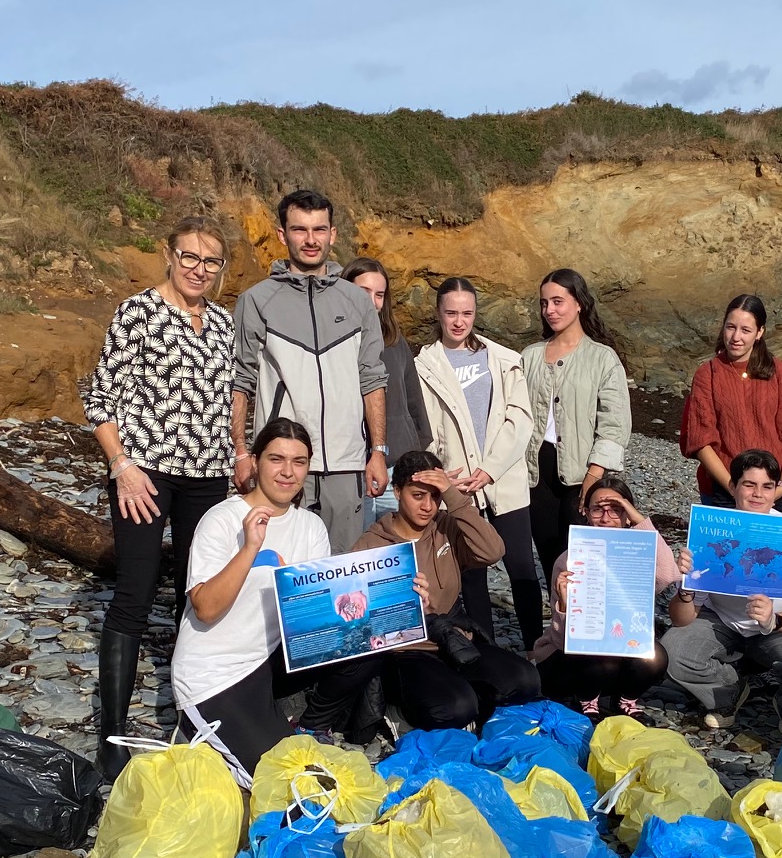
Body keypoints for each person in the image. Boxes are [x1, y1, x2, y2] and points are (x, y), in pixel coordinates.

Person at [85, 216, 239, 780]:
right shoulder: (138, 312)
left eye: (211, 261)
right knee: (135, 591)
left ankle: (190, 716)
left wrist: (240, 457)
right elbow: (100, 400)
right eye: (190, 257)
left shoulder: (223, 324)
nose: (199, 269)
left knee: (193, 596)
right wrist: (121, 467)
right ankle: (111, 736)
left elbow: (232, 405)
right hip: (145, 473)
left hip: (207, 477)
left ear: (221, 269)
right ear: (170, 256)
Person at [298, 451, 543, 739]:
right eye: (417, 496)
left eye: (435, 497)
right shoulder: (371, 546)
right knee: (457, 709)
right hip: (406, 653)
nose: (428, 506)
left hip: (454, 640)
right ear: (397, 491)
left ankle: (464, 691)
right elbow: (351, 623)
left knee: (526, 680)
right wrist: (404, 605)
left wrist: (454, 497)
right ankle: (400, 710)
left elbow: (493, 551)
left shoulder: (447, 526)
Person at [171, 418, 331, 781]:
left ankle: (306, 720)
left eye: (299, 462)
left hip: (268, 664)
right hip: (214, 673)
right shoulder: (222, 519)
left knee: (367, 642)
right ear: (255, 462)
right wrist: (251, 549)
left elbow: (320, 617)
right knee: (275, 781)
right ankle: (197, 726)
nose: (288, 472)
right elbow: (205, 609)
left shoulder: (311, 526)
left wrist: (399, 597)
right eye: (277, 459)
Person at [229, 189, 388, 552]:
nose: (311, 240)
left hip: (346, 464)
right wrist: (241, 453)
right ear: (283, 235)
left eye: (319, 229)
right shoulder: (256, 300)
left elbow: (373, 380)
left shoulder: (357, 301)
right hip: (281, 462)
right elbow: (241, 381)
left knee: (341, 573)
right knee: (275, 567)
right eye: (300, 230)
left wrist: (377, 451)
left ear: (333, 234)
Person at [415, 278, 544, 646]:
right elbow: (427, 428)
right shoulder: (423, 365)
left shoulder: (504, 359)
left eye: (467, 313)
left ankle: (538, 648)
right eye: (451, 313)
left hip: (502, 479)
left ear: (476, 313)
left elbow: (520, 419)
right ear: (438, 313)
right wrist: (442, 476)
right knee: (471, 572)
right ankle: (485, 652)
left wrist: (489, 470)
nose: (459, 321)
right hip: (456, 484)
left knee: (521, 567)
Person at [664, 448, 782, 730]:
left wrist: (774, 621)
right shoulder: (711, 530)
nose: (757, 494)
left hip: (776, 628)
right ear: (733, 487)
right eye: (749, 485)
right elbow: (682, 619)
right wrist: (687, 586)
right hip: (721, 622)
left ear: (777, 490)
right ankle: (729, 691)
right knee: (671, 651)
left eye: (767, 486)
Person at [530, 475, 676, 717]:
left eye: (616, 510)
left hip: (620, 654)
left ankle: (624, 701)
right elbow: (561, 640)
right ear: (585, 512)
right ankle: (586, 701)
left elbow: (667, 574)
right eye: (598, 509)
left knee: (655, 657)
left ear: (627, 514)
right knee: (604, 656)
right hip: (568, 659)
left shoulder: (637, 554)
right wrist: (564, 604)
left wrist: (639, 518)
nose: (606, 518)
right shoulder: (570, 558)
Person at [522, 268, 632, 578]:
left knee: (583, 555)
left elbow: (615, 423)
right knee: (549, 555)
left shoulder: (603, 358)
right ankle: (559, 619)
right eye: (545, 303)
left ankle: (587, 618)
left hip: (582, 470)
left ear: (579, 303)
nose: (550, 311)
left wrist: (594, 473)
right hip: (535, 472)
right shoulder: (529, 357)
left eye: (558, 302)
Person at [678, 294, 782, 514]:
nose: (736, 337)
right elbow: (701, 440)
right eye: (730, 327)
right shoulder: (707, 373)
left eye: (745, 330)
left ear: (760, 333)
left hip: (776, 487)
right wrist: (733, 486)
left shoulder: (778, 370)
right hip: (725, 489)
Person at [341, 257, 431, 519]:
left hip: (398, 467)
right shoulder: (332, 343)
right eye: (363, 292)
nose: (372, 301)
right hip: (353, 470)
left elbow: (413, 400)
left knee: (403, 551)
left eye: (379, 294)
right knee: (361, 550)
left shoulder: (394, 340)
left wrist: (418, 448)